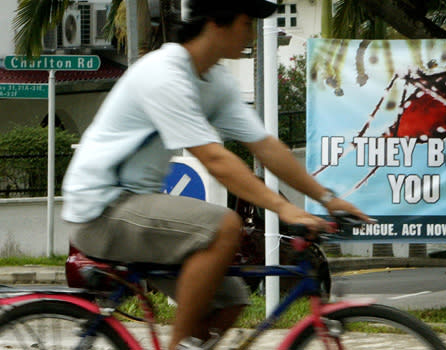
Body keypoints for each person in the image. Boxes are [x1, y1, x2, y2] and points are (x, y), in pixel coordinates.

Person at [61, 0, 369, 349]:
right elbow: (215, 160)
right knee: (224, 225)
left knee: (231, 300)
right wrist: (283, 208)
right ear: (217, 22)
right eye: (247, 22)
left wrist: (325, 198)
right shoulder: (164, 73)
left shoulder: (215, 79)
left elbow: (265, 145)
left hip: (135, 207)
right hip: (103, 209)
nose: (251, 33)